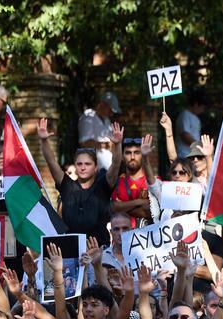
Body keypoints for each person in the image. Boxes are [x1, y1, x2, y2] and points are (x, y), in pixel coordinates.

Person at [39, 117, 122, 246]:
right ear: (75, 167)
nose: (83, 167)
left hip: (100, 250)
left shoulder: (103, 186)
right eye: (79, 164)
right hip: (71, 251)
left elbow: (116, 164)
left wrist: (117, 145)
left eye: (87, 164)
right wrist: (44, 141)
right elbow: (51, 162)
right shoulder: (67, 186)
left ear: (96, 168)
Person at [53, 242, 135, 319]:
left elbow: (123, 312)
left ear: (106, 310)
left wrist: (129, 293)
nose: (88, 309)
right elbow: (60, 311)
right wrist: (58, 272)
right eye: (84, 305)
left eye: (94, 305)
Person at [111, 136, 152, 226]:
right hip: (121, 235)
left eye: (137, 153)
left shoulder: (152, 181)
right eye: (128, 153)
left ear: (142, 155)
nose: (132, 157)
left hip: (145, 236)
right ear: (122, 157)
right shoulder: (117, 182)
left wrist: (122, 206)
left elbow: (149, 211)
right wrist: (140, 202)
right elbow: (112, 208)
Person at [78, 91, 120, 170]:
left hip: (108, 169)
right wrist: (106, 145)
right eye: (110, 110)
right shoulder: (88, 117)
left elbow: (112, 144)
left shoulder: (107, 120)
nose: (111, 114)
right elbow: (85, 143)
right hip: (93, 169)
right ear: (102, 104)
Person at [173, 89, 209, 159]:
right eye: (202, 108)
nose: (202, 110)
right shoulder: (185, 115)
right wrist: (199, 145)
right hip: (184, 154)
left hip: (194, 155)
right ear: (196, 104)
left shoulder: (197, 119)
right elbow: (185, 135)